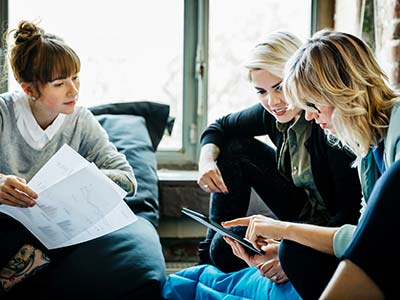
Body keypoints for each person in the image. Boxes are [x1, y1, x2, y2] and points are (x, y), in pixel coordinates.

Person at [223, 29, 400, 300]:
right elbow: (364, 237)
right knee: (292, 251)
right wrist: (285, 238)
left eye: (313, 104)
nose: (308, 115)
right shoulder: (367, 146)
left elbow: (374, 242)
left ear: (343, 92)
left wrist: (285, 230)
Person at [0, 21, 166, 299]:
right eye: (60, 83)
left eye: (76, 78)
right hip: (9, 223)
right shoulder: (4, 113)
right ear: (29, 89)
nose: (73, 90)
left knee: (132, 251)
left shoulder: (81, 120)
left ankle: (28, 265)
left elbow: (126, 178)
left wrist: (82, 183)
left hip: (62, 226)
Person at [196, 29, 362, 283]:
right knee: (224, 242)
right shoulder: (271, 114)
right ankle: (206, 260)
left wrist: (291, 251)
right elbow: (220, 127)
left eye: (280, 87)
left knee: (230, 249)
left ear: (299, 77)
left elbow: (348, 217)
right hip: (298, 210)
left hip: (329, 228)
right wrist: (206, 161)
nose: (273, 101)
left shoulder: (328, 123)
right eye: (261, 91)